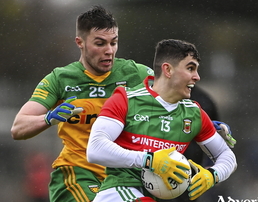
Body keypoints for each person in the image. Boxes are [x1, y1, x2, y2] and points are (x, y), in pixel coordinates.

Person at [10, 5, 155, 202]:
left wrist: (204, 124)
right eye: (100, 43)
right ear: (80, 42)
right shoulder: (60, 79)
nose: (109, 51)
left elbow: (177, 96)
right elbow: (18, 127)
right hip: (78, 173)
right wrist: (48, 118)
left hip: (123, 177)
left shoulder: (135, 74)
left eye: (113, 43)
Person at [86, 39, 237, 202]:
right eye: (190, 68)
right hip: (118, 192)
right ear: (168, 70)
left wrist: (212, 175)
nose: (197, 77)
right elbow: (95, 149)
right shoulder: (126, 100)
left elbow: (226, 155)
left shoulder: (194, 113)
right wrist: (148, 160)